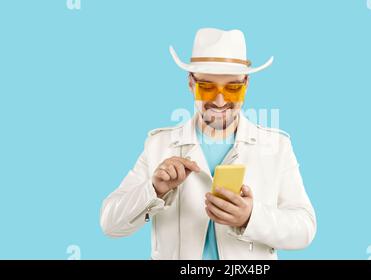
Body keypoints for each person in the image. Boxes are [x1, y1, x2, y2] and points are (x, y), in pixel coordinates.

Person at [100, 28, 317, 260]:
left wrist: (251, 217)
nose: (220, 100)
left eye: (233, 87)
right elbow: (110, 224)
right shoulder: (159, 145)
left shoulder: (277, 146)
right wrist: (155, 189)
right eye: (207, 87)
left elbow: (305, 228)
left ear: (246, 84)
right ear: (191, 84)